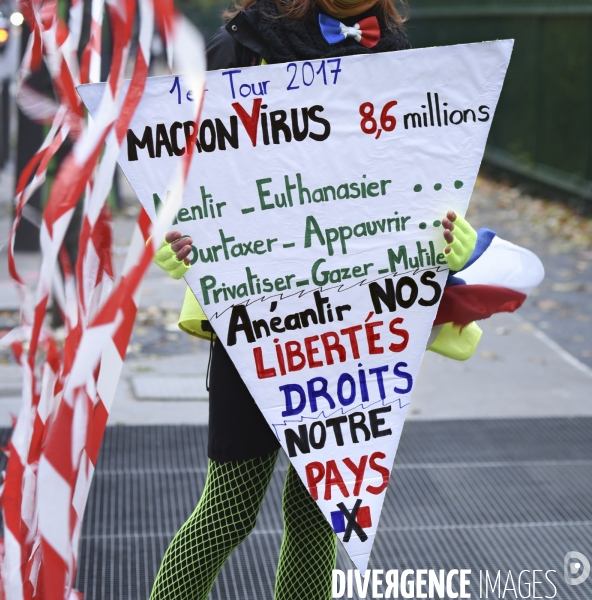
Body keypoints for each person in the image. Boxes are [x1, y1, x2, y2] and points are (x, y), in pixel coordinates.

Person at [148, 1, 483, 598]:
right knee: (227, 510)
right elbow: (178, 169)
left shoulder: (399, 56)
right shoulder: (240, 48)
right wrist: (172, 236)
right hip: (256, 321)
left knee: (320, 516)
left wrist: (452, 237)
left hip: (356, 324)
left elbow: (425, 174)